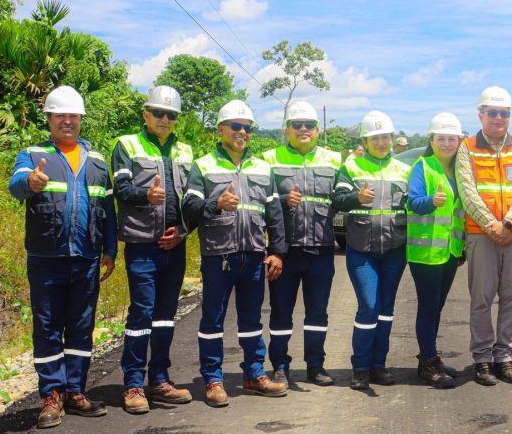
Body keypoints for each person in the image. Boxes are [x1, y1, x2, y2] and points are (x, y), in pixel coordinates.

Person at [8, 86, 117, 428]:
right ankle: (51, 396)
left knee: (82, 327)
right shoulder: (33, 153)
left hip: (86, 256)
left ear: (80, 119)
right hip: (46, 257)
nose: (67, 121)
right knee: (47, 327)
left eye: (73, 116)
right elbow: (16, 185)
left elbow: (107, 210)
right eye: (60, 116)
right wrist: (31, 181)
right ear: (50, 119)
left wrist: (111, 250)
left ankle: (75, 391)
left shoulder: (98, 161)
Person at [183, 100, 287, 407]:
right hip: (219, 255)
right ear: (221, 129)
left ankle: (254, 374)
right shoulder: (204, 165)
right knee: (213, 320)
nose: (242, 132)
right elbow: (189, 206)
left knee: (252, 319)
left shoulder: (262, 167)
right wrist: (215, 204)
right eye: (236, 126)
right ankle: (213, 379)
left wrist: (277, 251)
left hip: (254, 255)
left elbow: (275, 213)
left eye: (247, 127)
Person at [112, 85, 194, 414]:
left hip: (176, 246)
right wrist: (145, 195)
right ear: (145, 114)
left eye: (170, 115)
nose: (164, 119)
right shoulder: (127, 145)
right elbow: (119, 188)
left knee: (164, 317)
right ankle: (133, 383)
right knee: (142, 314)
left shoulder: (186, 151)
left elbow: (193, 199)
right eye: (158, 113)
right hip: (142, 245)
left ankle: (159, 379)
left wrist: (184, 231)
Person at [455, 86, 512, 386]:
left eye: (504, 113)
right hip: (482, 233)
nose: (499, 118)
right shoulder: (467, 147)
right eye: (492, 112)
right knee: (481, 298)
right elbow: (467, 192)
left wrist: (509, 221)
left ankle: (503, 356)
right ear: (481, 114)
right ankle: (482, 359)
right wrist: (493, 225)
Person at [262, 101, 343, 387]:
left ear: (318, 130)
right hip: (286, 250)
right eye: (297, 125)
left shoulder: (334, 160)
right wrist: (284, 203)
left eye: (309, 125)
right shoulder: (269, 159)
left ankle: (316, 365)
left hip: (321, 248)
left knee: (317, 313)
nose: (303, 129)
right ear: (287, 130)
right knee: (281, 310)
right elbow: (259, 202)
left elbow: (343, 198)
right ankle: (280, 365)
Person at [332, 110, 411, 390]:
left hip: (394, 249)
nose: (381, 142)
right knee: (369, 306)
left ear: (392, 139)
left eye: (385, 137)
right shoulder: (351, 167)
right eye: (375, 138)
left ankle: (380, 365)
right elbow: (337, 200)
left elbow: (413, 205)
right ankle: (361, 368)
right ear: (365, 141)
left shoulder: (404, 170)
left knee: (386, 309)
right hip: (360, 249)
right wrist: (357, 196)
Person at [406, 113, 466, 389]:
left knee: (437, 307)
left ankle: (428, 359)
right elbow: (413, 202)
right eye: (440, 138)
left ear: (459, 141)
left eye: (451, 138)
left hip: (451, 251)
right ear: (431, 140)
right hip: (426, 254)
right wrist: (431, 200)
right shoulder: (423, 166)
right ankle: (429, 362)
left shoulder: (461, 169)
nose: (446, 143)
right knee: (428, 307)